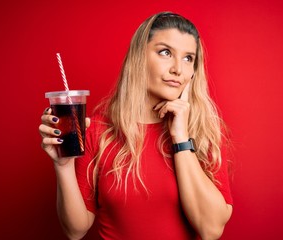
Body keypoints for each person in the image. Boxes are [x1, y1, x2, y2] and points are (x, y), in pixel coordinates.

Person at [39, 11, 233, 240]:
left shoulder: (203, 133)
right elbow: (75, 230)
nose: (178, 69)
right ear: (139, 56)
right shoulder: (98, 131)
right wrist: (63, 167)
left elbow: (210, 230)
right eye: (165, 52)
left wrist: (181, 137)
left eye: (188, 58)